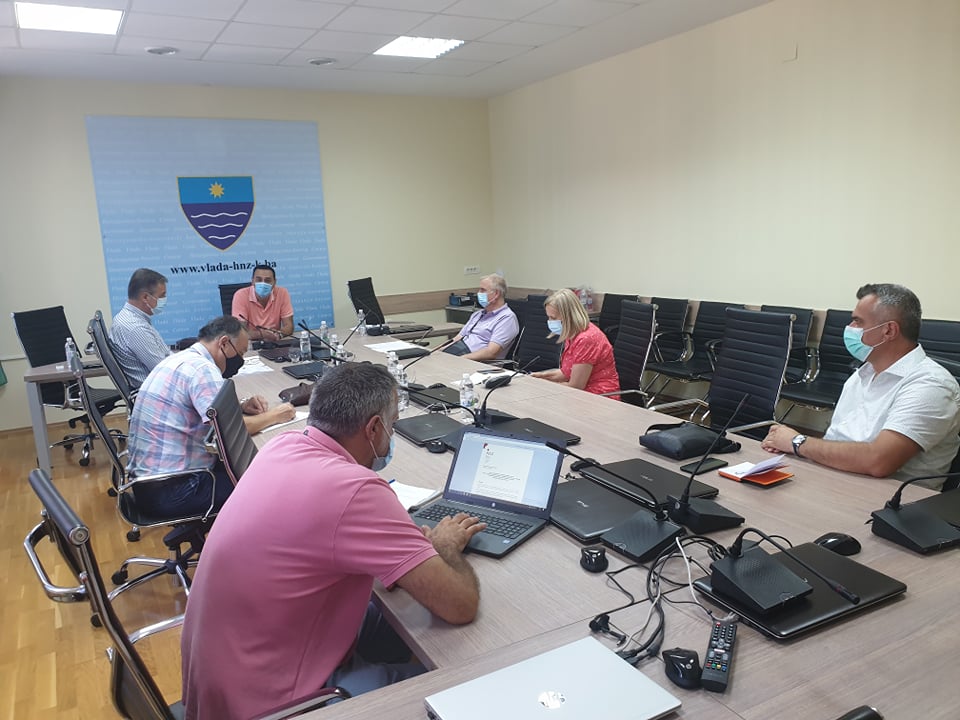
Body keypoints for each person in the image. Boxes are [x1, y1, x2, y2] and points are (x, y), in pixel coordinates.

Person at [181, 363, 483, 719]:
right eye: (393, 424)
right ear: (374, 428)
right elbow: (460, 606)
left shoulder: (283, 445)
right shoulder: (355, 489)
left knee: (400, 614)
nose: (392, 436)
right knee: (469, 691)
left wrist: (405, 548)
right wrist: (443, 547)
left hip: (222, 682)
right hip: (275, 704)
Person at [762, 283, 960, 488]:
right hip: (835, 478)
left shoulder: (931, 386)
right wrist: (790, 444)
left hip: (886, 498)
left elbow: (878, 461)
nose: (850, 328)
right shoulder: (863, 373)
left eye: (857, 321)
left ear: (889, 330)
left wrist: (798, 443)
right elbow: (837, 439)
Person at [127, 315, 296, 516]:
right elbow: (231, 431)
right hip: (174, 490)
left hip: (149, 483)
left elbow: (208, 409)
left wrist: (242, 405)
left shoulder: (182, 359)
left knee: (253, 469)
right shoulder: (202, 369)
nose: (240, 360)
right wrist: (275, 416)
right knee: (270, 483)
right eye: (240, 353)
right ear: (224, 343)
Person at [532, 288, 620, 397]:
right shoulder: (572, 333)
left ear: (569, 317)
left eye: (553, 318)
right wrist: (541, 377)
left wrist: (544, 386)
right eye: (548, 317)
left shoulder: (587, 339)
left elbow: (576, 386)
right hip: (581, 393)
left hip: (600, 397)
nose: (550, 322)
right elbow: (566, 372)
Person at [110, 268, 172, 389]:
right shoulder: (135, 328)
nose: (164, 300)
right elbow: (164, 370)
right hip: (156, 392)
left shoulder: (132, 318)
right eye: (162, 296)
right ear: (145, 297)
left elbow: (165, 356)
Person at [449, 274, 519, 361]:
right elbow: (457, 338)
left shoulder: (507, 318)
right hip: (459, 353)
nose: (478, 293)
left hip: (474, 361)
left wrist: (459, 359)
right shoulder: (478, 314)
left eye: (483, 290)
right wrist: (438, 351)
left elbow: (491, 352)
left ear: (496, 294)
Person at [231, 264, 294, 341]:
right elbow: (240, 332)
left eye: (267, 280)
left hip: (274, 341)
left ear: (274, 282)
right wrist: (263, 334)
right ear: (252, 281)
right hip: (250, 343)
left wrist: (278, 334)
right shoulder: (241, 295)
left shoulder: (282, 293)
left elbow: (289, 326)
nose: (263, 284)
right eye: (259, 280)